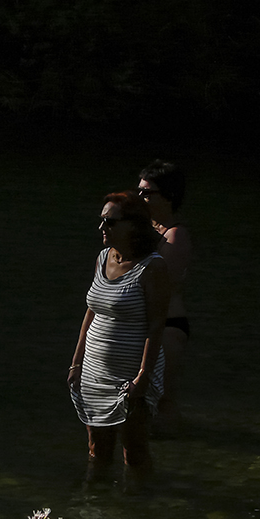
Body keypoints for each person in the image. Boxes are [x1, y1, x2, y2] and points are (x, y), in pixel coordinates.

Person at [68, 191, 169, 482]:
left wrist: (143, 376)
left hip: (130, 373)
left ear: (134, 225)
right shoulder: (103, 258)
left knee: (133, 450)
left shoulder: (152, 267)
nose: (102, 228)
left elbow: (156, 325)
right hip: (94, 370)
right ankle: (95, 506)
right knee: (96, 449)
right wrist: (77, 363)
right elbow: (91, 312)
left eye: (110, 222)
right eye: (102, 221)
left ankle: (135, 512)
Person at [138, 160, 190, 427]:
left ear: (168, 196)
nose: (141, 198)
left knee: (163, 400)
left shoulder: (175, 235)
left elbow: (160, 283)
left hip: (168, 325)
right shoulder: (146, 231)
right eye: (140, 191)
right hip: (147, 324)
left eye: (147, 192)